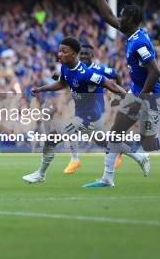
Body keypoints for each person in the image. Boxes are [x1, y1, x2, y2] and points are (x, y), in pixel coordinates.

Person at [83, 0, 160, 187]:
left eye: (123, 15)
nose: (119, 18)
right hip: (139, 94)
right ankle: (107, 178)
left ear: (132, 19)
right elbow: (107, 16)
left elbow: (155, 71)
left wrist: (141, 97)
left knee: (149, 143)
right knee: (115, 133)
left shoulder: (140, 42)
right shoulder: (131, 33)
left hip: (151, 97)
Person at [22, 37, 149, 184]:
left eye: (64, 51)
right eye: (59, 51)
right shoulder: (65, 68)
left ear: (74, 54)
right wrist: (41, 89)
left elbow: (110, 84)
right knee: (106, 143)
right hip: (85, 117)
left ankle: (40, 174)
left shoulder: (86, 74)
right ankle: (140, 157)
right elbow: (62, 83)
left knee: (52, 138)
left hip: (88, 119)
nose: (60, 54)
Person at [61, 42, 133, 174]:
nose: (83, 56)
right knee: (100, 140)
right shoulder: (74, 68)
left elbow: (116, 75)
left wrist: (118, 94)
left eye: (86, 54)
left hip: (95, 109)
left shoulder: (98, 69)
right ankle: (120, 151)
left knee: (71, 129)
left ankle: (75, 160)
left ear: (92, 55)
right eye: (81, 53)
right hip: (81, 108)